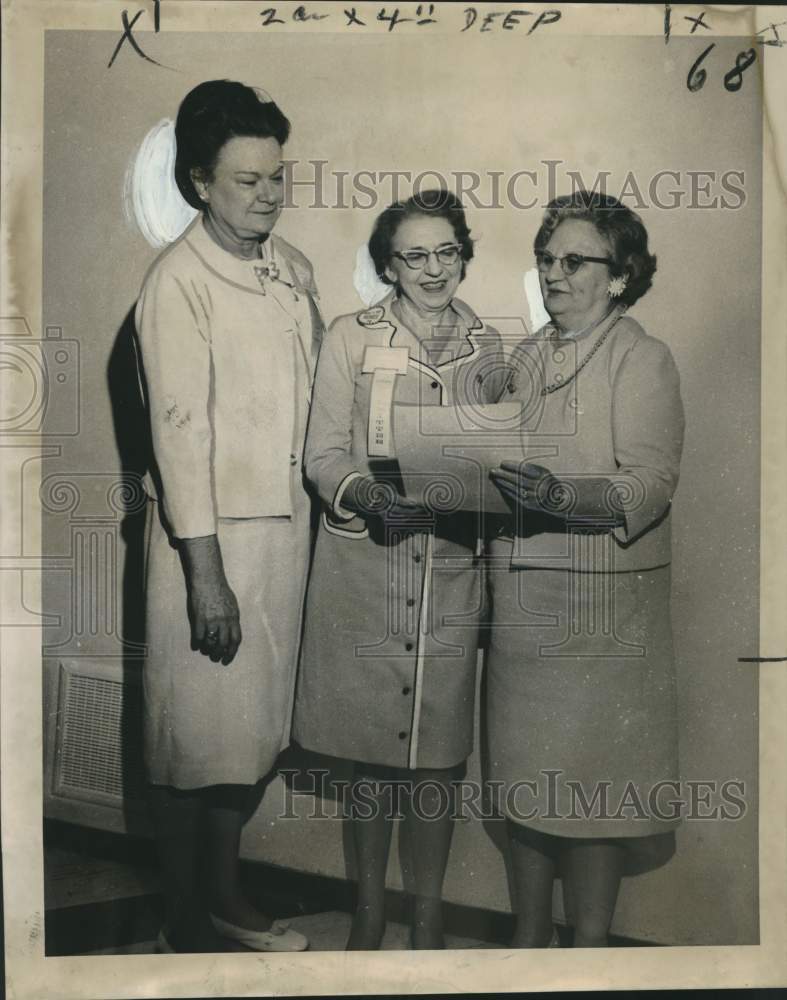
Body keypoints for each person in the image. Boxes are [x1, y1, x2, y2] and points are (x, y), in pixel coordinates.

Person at [134, 80, 322, 953]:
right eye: (247, 181)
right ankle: (188, 914)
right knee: (197, 743)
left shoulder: (293, 271)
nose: (269, 195)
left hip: (283, 539)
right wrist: (205, 580)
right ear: (200, 183)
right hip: (207, 547)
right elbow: (179, 438)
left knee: (246, 740)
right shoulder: (176, 283)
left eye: (276, 177)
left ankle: (218, 897)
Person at [292, 190, 506, 950]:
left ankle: (425, 919)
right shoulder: (351, 338)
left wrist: (483, 495)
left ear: (462, 256)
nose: (432, 268)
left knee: (435, 761)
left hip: (448, 572)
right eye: (414, 255)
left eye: (445, 251)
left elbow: (498, 459)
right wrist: (367, 498)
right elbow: (321, 455)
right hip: (365, 568)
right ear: (388, 263)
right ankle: (368, 914)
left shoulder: (491, 347)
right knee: (371, 760)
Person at [487, 190, 685, 948]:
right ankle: (530, 942)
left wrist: (564, 496)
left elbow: (651, 483)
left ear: (621, 275)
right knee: (528, 783)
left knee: (592, 791)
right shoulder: (525, 358)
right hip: (524, 603)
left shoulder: (642, 358)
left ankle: (590, 951)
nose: (553, 274)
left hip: (602, 618)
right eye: (545, 259)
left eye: (573, 261)